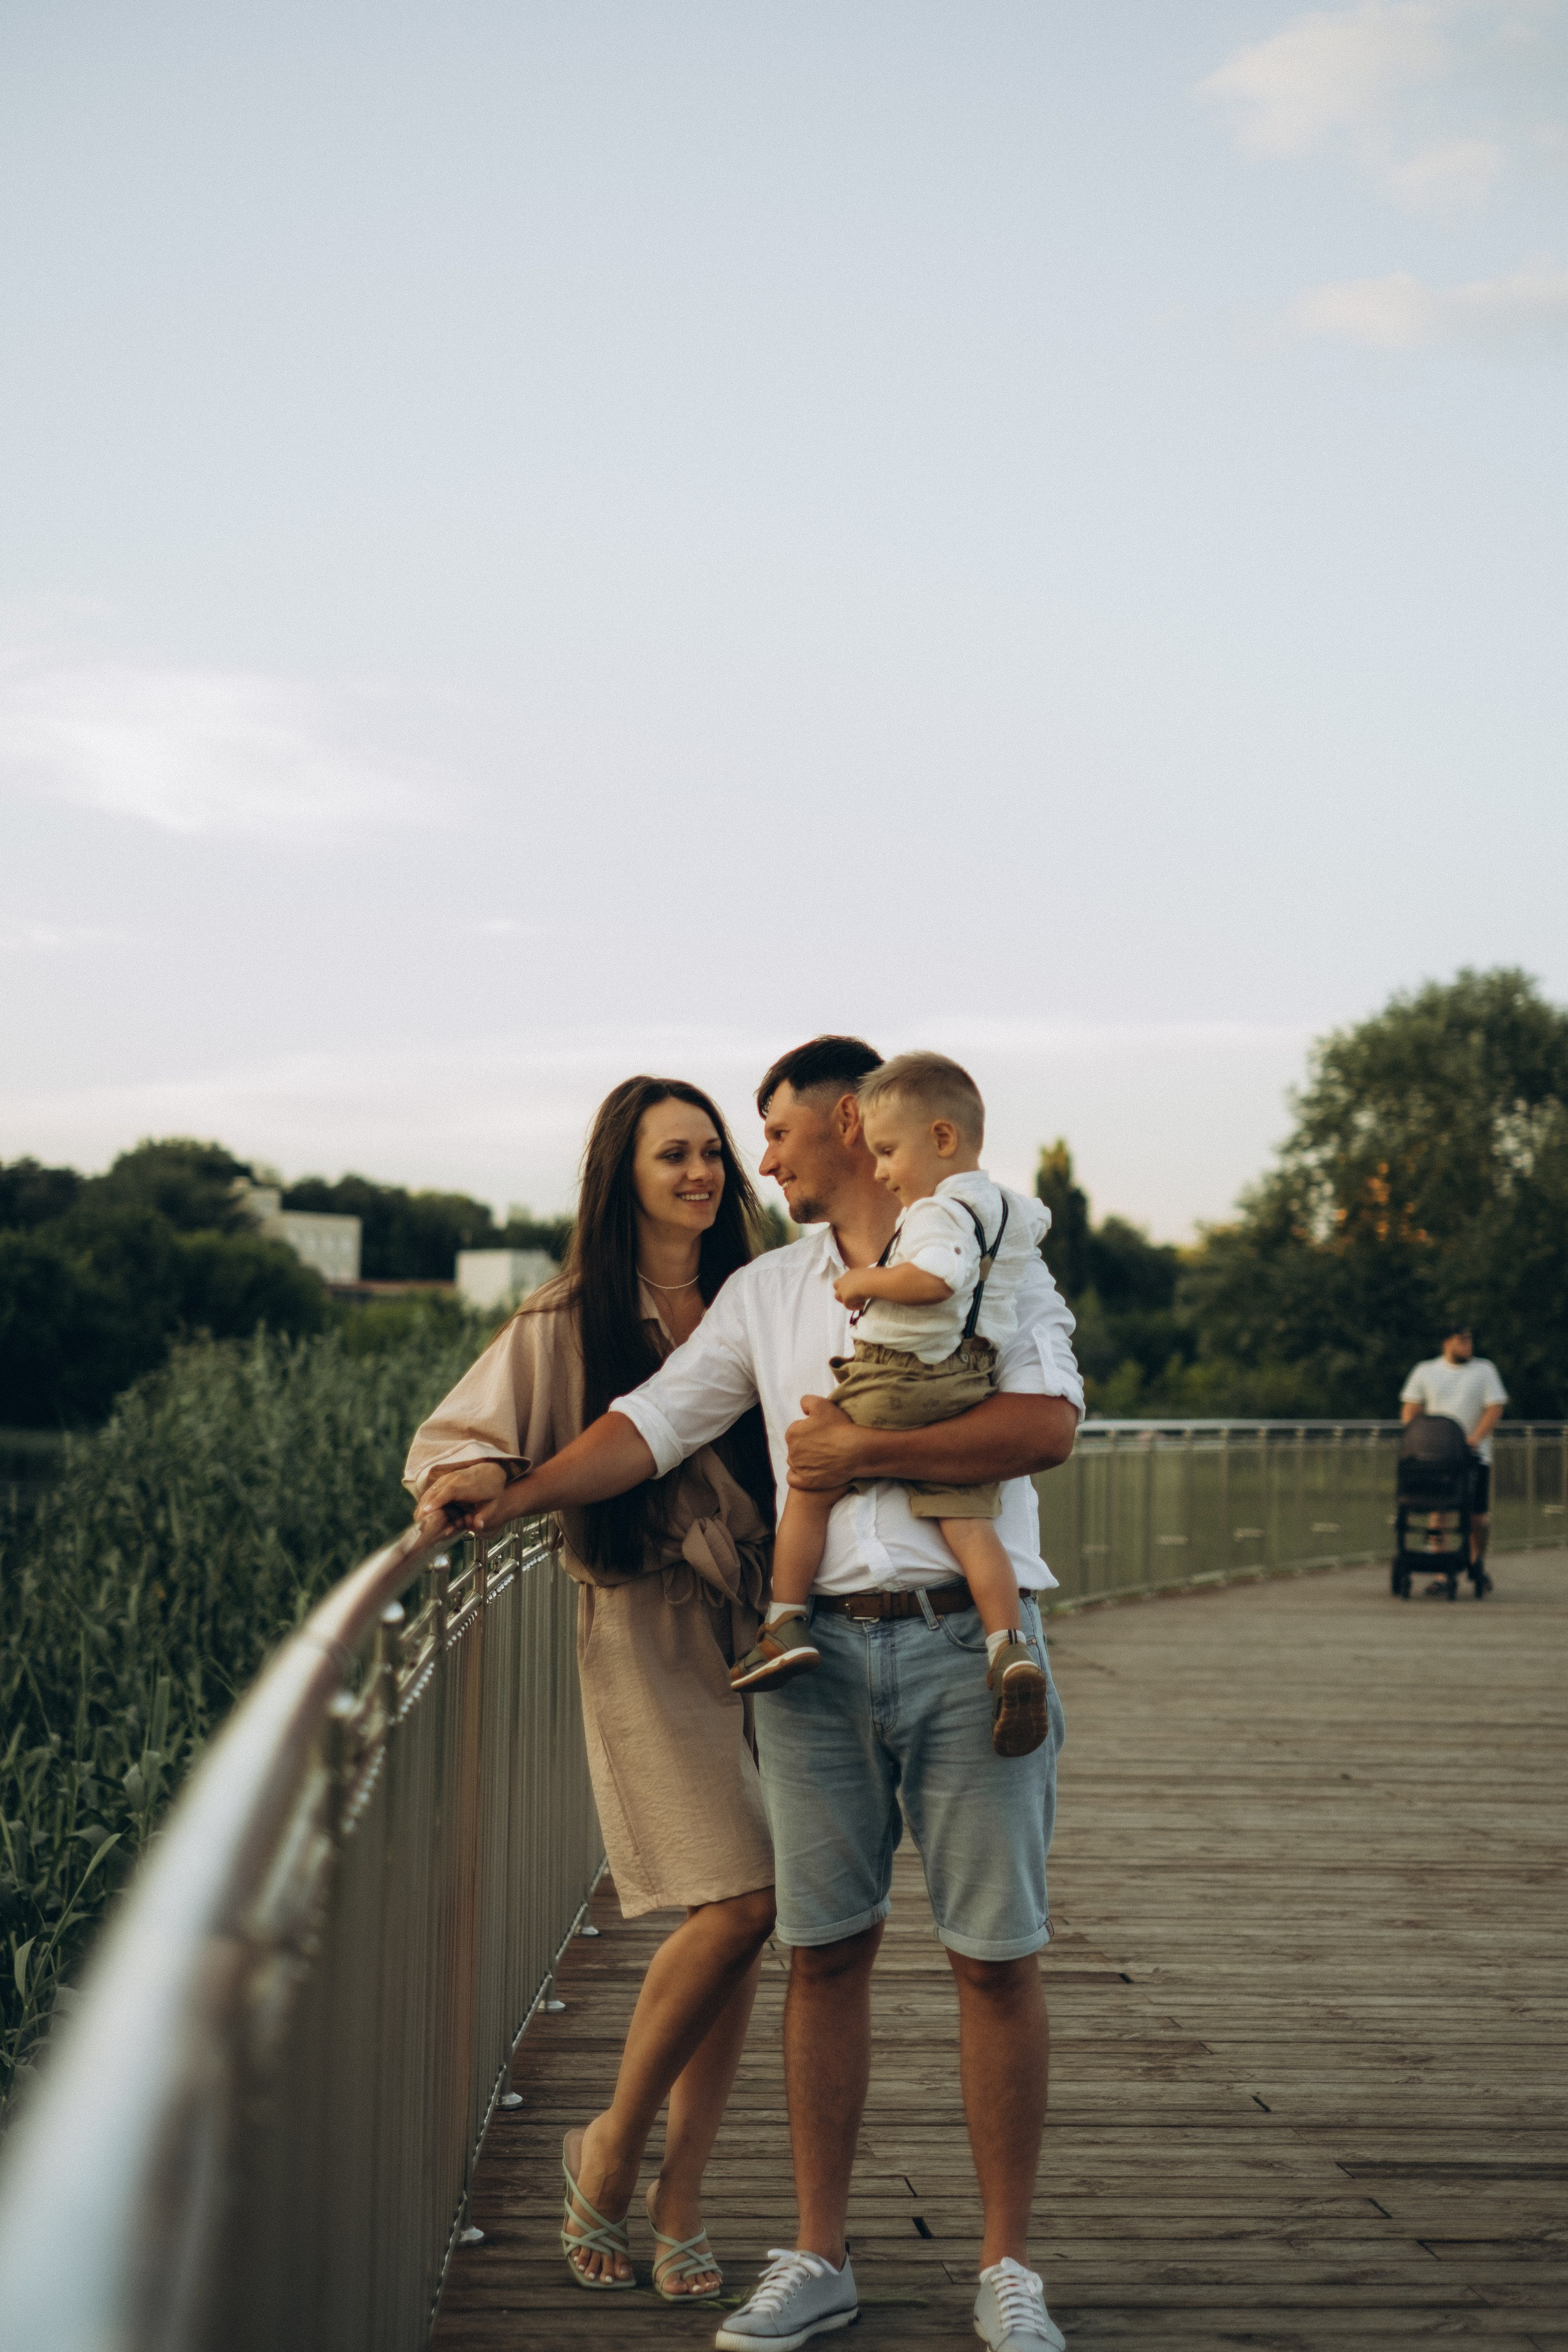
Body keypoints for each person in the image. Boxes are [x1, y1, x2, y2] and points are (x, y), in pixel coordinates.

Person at [468, 1035, 1083, 2352]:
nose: (759, 1160)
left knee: (994, 1962)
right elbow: (651, 1423)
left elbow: (1045, 1429)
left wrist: (861, 1443)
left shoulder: (991, 1256)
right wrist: (511, 1495)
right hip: (808, 1662)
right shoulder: (766, 1291)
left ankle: (1006, 2268)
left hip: (967, 1645)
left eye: (775, 1132)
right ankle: (817, 2255)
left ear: (850, 1124)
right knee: (824, 1955)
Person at [405, 1077, 778, 2301]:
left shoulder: (759, 1295)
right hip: (645, 1623)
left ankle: (677, 2193)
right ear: (621, 1174)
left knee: (739, 1918)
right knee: (736, 1901)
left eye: (715, 1153)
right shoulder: (569, 1317)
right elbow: (464, 1435)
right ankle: (613, 2145)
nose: (703, 1173)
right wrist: (467, 1482)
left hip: (770, 1620)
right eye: (675, 1154)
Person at [733, 1051, 1053, 1763]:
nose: (882, 1169)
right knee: (969, 1526)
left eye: (889, 1152)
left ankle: (784, 1623)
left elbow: (938, 1279)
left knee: (812, 1471)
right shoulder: (1010, 1213)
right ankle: (1009, 1648)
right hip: (964, 1378)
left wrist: (866, 1284)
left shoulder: (937, 1213)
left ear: (940, 1140)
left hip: (899, 1372)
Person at [1401, 1324, 1507, 1587]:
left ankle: (1475, 1559)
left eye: (1470, 1341)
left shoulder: (1484, 1370)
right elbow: (1411, 1408)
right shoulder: (1426, 1371)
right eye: (1462, 1341)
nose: (1468, 1346)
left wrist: (1476, 1438)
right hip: (1438, 1457)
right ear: (1447, 1342)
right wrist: (1416, 1438)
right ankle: (1441, 1571)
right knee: (1439, 1511)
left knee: (1477, 1516)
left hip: (1474, 1455)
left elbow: (1494, 1407)